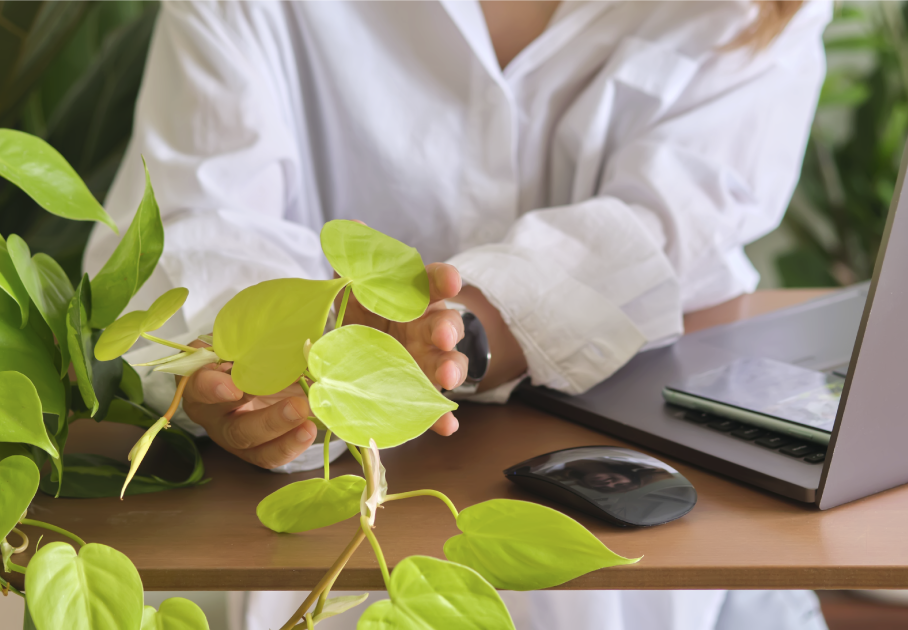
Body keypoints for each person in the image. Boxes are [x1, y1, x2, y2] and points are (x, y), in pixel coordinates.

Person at [86, 0, 832, 628]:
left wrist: (458, 330)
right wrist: (264, 378)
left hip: (695, 570)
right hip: (328, 551)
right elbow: (189, 226)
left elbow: (675, 220)